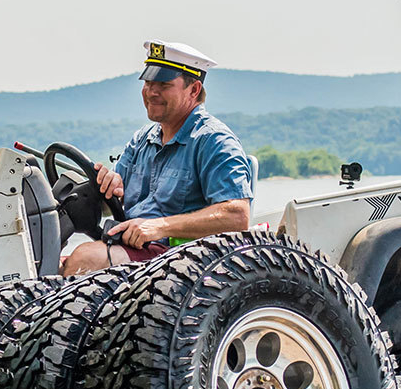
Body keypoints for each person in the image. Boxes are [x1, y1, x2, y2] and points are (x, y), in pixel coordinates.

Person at [60, 41, 255, 274]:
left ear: (193, 90)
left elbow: (237, 216)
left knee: (86, 258)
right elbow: (110, 203)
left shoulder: (213, 140)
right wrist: (106, 187)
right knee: (46, 259)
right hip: (137, 250)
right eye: (149, 82)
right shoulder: (142, 138)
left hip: (183, 261)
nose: (152, 92)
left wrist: (159, 227)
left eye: (163, 84)